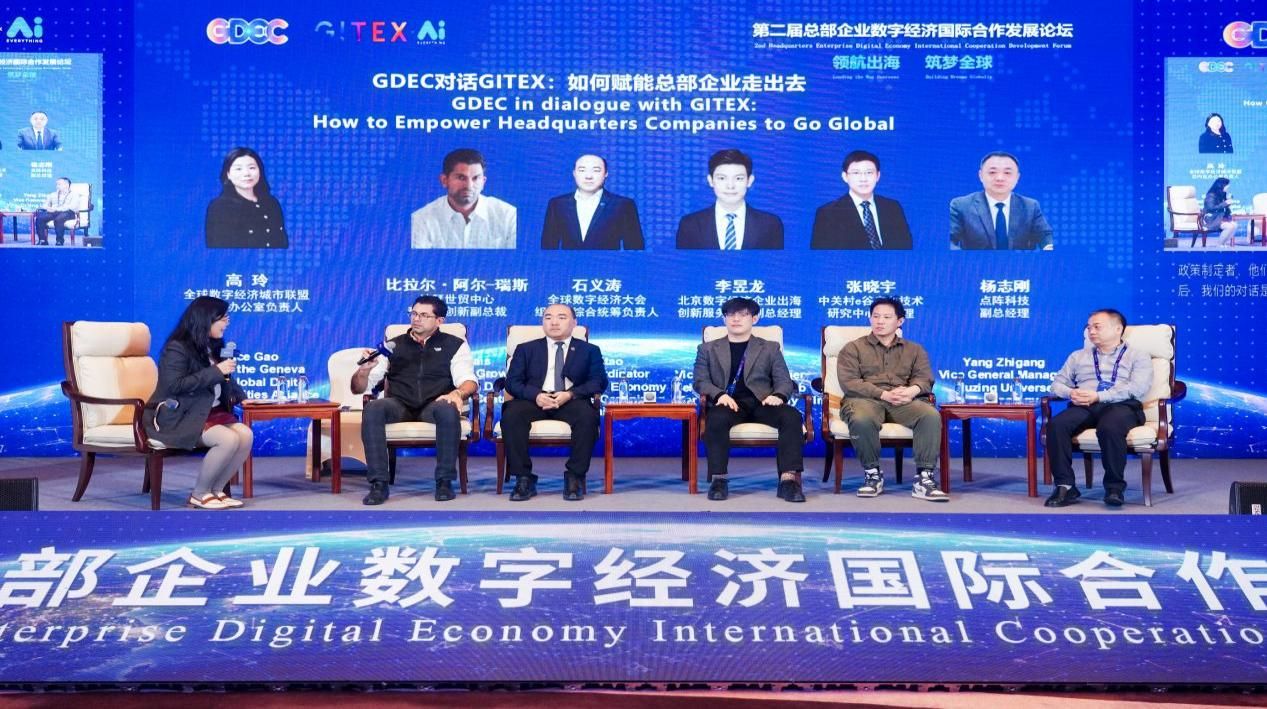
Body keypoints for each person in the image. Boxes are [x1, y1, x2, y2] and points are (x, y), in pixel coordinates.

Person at [353, 296, 478, 504]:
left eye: (424, 315)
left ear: (439, 321)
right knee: (374, 408)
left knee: (447, 408)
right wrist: (364, 371)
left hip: (433, 404)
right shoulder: (392, 346)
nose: (416, 319)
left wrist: (457, 394)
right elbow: (358, 388)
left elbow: (468, 380)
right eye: (414, 313)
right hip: (399, 404)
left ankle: (444, 481)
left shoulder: (455, 345)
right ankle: (378, 484)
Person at [143, 296, 251, 510]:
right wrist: (216, 371)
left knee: (245, 435)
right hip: (178, 416)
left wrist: (242, 397)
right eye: (223, 318)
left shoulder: (212, 346)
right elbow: (174, 385)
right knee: (227, 439)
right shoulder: (177, 348)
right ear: (205, 319)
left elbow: (225, 379)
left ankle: (216, 491)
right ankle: (199, 494)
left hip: (207, 413)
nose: (227, 323)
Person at [693, 297, 804, 502]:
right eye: (730, 314)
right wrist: (719, 395)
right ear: (724, 319)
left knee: (791, 417)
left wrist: (778, 396)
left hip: (763, 403)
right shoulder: (707, 349)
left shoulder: (769, 347)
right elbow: (700, 381)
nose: (736, 319)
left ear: (754, 319)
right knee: (715, 419)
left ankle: (788, 481)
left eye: (742, 314)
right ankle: (719, 480)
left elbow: (784, 381)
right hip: (729, 403)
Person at [837, 297, 947, 501]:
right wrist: (883, 394)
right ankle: (872, 475)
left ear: (900, 321)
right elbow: (849, 382)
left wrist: (912, 391)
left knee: (930, 415)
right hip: (865, 400)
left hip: (903, 401)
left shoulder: (915, 350)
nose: (880, 321)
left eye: (887, 317)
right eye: (875, 316)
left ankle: (924, 478)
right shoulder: (853, 348)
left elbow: (924, 378)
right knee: (861, 419)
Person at [1044, 309, 1153, 508]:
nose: (1091, 331)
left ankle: (1114, 488)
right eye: (1089, 327)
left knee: (1109, 427)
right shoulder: (1078, 356)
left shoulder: (1138, 356)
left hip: (1122, 405)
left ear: (1118, 329)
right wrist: (1071, 393)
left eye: (1097, 327)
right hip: (1085, 405)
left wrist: (1100, 396)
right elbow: (1056, 385)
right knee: (1056, 425)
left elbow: (1138, 388)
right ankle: (1065, 486)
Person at [501, 304, 608, 501]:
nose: (554, 322)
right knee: (511, 415)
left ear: (574, 323)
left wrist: (570, 394)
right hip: (534, 400)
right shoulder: (526, 349)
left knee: (588, 416)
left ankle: (574, 476)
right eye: (548, 317)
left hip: (570, 400)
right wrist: (536, 395)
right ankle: (524, 478)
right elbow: (512, 382)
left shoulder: (589, 350)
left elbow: (599, 382)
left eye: (561, 317)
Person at [676, 149, 784, 249]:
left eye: (738, 178)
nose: (730, 186)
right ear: (710, 181)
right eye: (722, 178)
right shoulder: (690, 225)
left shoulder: (770, 224)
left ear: (749, 181)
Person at [411, 148, 517, 249]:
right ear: (444, 180)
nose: (469, 186)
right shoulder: (422, 219)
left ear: (483, 182)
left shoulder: (508, 216)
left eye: (476, 178)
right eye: (461, 178)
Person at [950, 151, 1053, 250]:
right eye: (992, 172)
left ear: (1017, 177)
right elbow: (949, 240)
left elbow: (1045, 235)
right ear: (980, 176)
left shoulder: (1030, 206)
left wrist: (1049, 248)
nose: (1000, 178)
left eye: (1007, 173)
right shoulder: (961, 206)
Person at [811, 150, 912, 249]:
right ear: (845, 177)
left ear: (878, 176)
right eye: (856, 173)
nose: (863, 179)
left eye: (869, 172)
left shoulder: (893, 207)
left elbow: (906, 246)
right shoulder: (828, 213)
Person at [541, 154, 644, 250]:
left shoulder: (623, 205)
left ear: (606, 174)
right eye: (582, 170)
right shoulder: (558, 204)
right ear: (574, 173)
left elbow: (635, 249)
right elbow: (547, 247)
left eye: (596, 170)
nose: (588, 176)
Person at [205, 147, 288, 249]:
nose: (246, 174)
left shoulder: (271, 203)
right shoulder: (220, 207)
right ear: (228, 174)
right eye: (238, 169)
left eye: (252, 168)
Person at [33, 177, 83, 246]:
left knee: (59, 219)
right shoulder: (53, 194)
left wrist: (57, 209)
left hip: (68, 212)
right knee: (40, 218)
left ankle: (59, 241)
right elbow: (44, 205)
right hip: (54, 212)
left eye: (59, 184)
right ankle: (42, 240)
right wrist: (48, 208)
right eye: (57, 184)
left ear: (66, 185)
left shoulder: (74, 195)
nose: (57, 186)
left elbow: (72, 207)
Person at [1200, 177, 1238, 247]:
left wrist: (1227, 201)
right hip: (1211, 219)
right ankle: (1219, 244)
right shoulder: (1211, 196)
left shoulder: (1222, 194)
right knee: (1229, 227)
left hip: (1218, 218)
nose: (1228, 187)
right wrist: (1225, 203)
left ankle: (1223, 243)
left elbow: (1223, 208)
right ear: (1221, 185)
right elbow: (1211, 208)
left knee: (1234, 225)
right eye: (1226, 185)